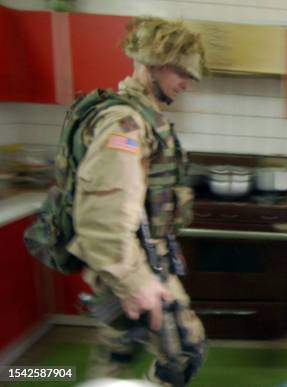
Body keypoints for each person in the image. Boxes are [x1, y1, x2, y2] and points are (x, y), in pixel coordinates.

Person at [66, 17, 207, 385]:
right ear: (152, 64)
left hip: (135, 259)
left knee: (118, 347)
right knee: (184, 352)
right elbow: (103, 218)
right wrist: (135, 282)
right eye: (181, 72)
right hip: (132, 264)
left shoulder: (145, 118)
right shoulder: (124, 124)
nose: (185, 83)